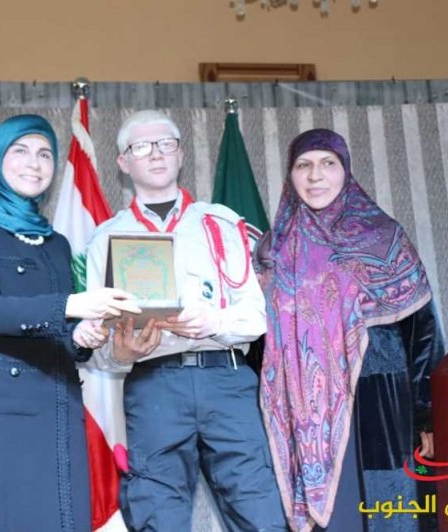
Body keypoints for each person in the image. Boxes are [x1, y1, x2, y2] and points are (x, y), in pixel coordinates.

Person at [0, 114, 138, 532]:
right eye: (20, 151)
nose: (34, 163)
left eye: (45, 154)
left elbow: (60, 331)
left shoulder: (56, 243)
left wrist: (83, 336)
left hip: (56, 414)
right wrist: (73, 304)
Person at [84, 110, 287, 531]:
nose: (156, 154)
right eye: (141, 146)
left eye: (166, 144)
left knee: (260, 510)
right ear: (124, 162)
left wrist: (214, 321)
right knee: (158, 514)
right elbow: (99, 342)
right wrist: (120, 353)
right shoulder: (106, 237)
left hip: (225, 379)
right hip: (154, 385)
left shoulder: (222, 222)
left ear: (180, 155)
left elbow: (256, 316)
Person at [256, 128, 445, 532]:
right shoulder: (273, 251)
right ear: (290, 176)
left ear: (346, 171)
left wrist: (429, 418)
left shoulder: (383, 237)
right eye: (303, 165)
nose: (315, 176)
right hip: (305, 411)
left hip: (380, 396)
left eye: (328, 163)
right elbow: (260, 343)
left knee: (389, 508)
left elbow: (423, 335)